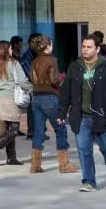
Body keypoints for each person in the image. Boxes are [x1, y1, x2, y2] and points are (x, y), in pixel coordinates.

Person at [59, 35, 106, 192]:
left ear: (97, 49)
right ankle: (89, 181)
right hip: (81, 117)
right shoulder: (75, 66)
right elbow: (66, 91)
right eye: (83, 46)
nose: (85, 50)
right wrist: (62, 113)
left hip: (103, 116)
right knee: (84, 150)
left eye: (89, 47)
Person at [28, 35, 78, 174]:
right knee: (60, 129)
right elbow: (54, 80)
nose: (53, 46)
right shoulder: (52, 60)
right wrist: (62, 78)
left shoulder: (34, 61)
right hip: (50, 97)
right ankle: (64, 164)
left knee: (38, 131)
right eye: (51, 44)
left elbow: (32, 79)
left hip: (36, 97)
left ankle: (35, 165)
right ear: (48, 46)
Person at [0, 40, 31, 166]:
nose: (12, 50)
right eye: (11, 48)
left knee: (9, 127)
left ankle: (11, 157)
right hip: (11, 97)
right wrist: (32, 89)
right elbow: (22, 81)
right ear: (7, 49)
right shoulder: (13, 63)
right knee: (14, 130)